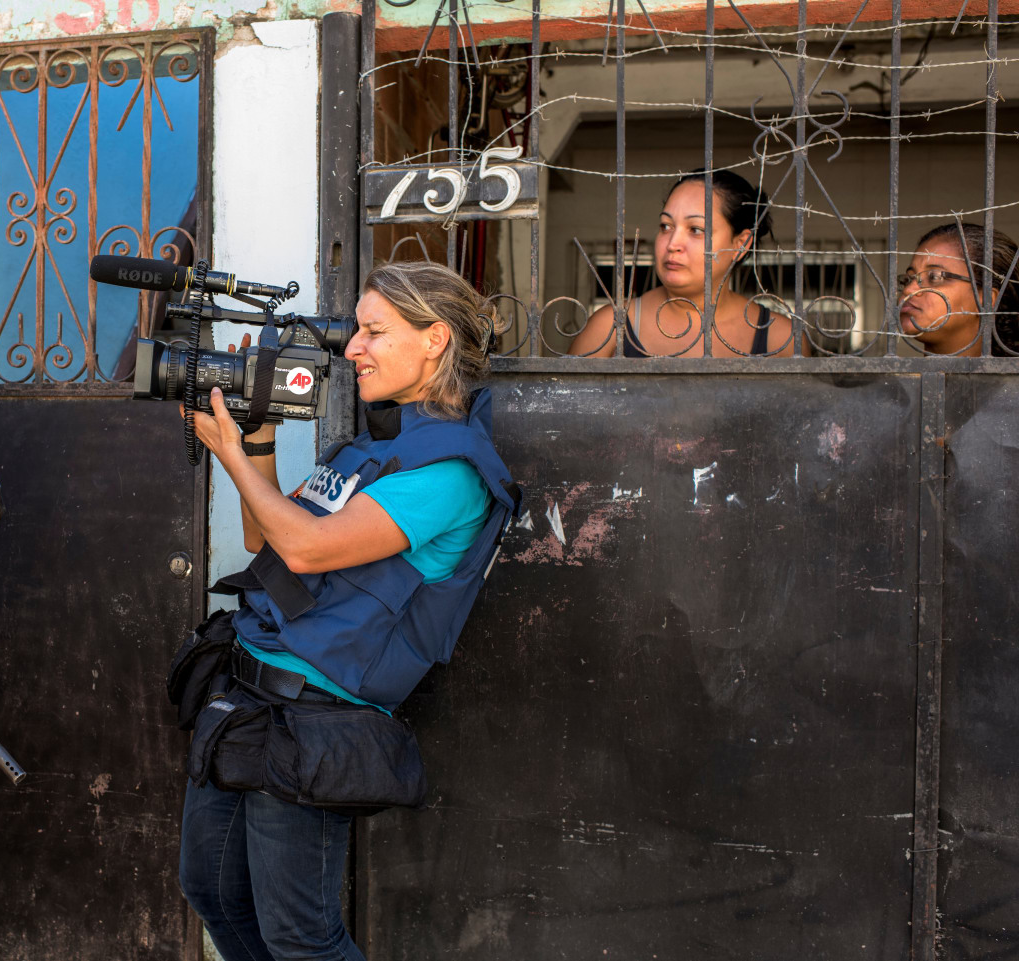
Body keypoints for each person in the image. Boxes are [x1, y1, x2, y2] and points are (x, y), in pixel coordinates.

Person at [176, 261, 521, 960]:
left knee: (301, 935)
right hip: (246, 697)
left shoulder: (450, 471)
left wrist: (230, 454)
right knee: (211, 890)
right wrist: (260, 431)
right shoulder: (375, 446)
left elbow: (303, 548)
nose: (352, 348)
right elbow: (261, 536)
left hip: (315, 722)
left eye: (373, 331)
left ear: (435, 340)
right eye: (355, 330)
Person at [570, 169, 796, 358]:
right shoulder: (610, 326)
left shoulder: (780, 338)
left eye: (696, 230)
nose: (672, 244)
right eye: (666, 226)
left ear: (740, 244)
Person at [898, 222, 1019, 356]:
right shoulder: (896, 377)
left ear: (985, 300)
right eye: (908, 279)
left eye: (935, 277)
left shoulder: (1009, 377)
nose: (909, 290)